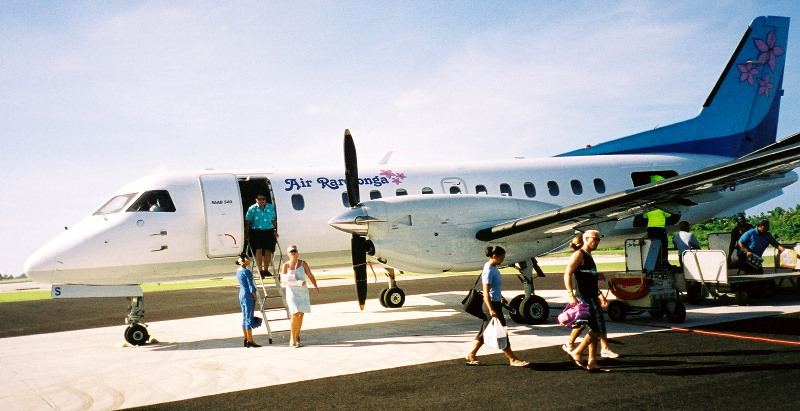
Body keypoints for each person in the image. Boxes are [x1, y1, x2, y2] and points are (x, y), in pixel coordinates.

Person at [465, 246, 530, 367]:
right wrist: (491, 309)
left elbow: (494, 288)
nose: (502, 260)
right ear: (494, 256)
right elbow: (486, 292)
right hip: (491, 305)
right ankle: (512, 359)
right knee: (501, 331)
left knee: (485, 332)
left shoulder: (494, 267)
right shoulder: (489, 270)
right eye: (501, 258)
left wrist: (500, 296)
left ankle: (471, 355)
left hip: (495, 303)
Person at [562, 231, 618, 369]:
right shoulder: (579, 254)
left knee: (594, 329)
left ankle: (591, 361)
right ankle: (577, 351)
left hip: (593, 297)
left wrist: (597, 279)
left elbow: (588, 278)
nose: (597, 242)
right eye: (595, 239)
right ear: (586, 239)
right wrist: (570, 295)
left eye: (599, 239)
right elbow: (567, 274)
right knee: (597, 329)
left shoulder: (589, 256)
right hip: (585, 298)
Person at [281, 244, 319, 347]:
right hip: (292, 292)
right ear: (288, 254)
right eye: (291, 252)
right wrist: (296, 282)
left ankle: (297, 337)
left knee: (301, 314)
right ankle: (292, 339)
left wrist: (315, 286)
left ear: (297, 253)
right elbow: (283, 281)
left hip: (303, 292)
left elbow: (310, 275)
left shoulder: (303, 263)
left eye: (294, 252)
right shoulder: (285, 265)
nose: (293, 253)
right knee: (295, 314)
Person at [245, 194, 278, 277]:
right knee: (258, 250)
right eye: (260, 199)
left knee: (268, 250)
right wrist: (247, 233)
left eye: (263, 199)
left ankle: (266, 270)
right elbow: (248, 221)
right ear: (256, 200)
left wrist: (275, 230)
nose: (262, 200)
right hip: (257, 231)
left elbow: (273, 219)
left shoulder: (270, 207)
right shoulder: (252, 209)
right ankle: (260, 270)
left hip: (268, 230)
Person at [236, 256, 261, 348]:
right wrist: (255, 297)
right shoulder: (246, 271)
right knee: (249, 317)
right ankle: (250, 340)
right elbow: (251, 286)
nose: (248, 259)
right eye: (246, 258)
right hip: (247, 295)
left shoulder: (238, 271)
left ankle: (246, 338)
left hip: (241, 294)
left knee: (244, 317)